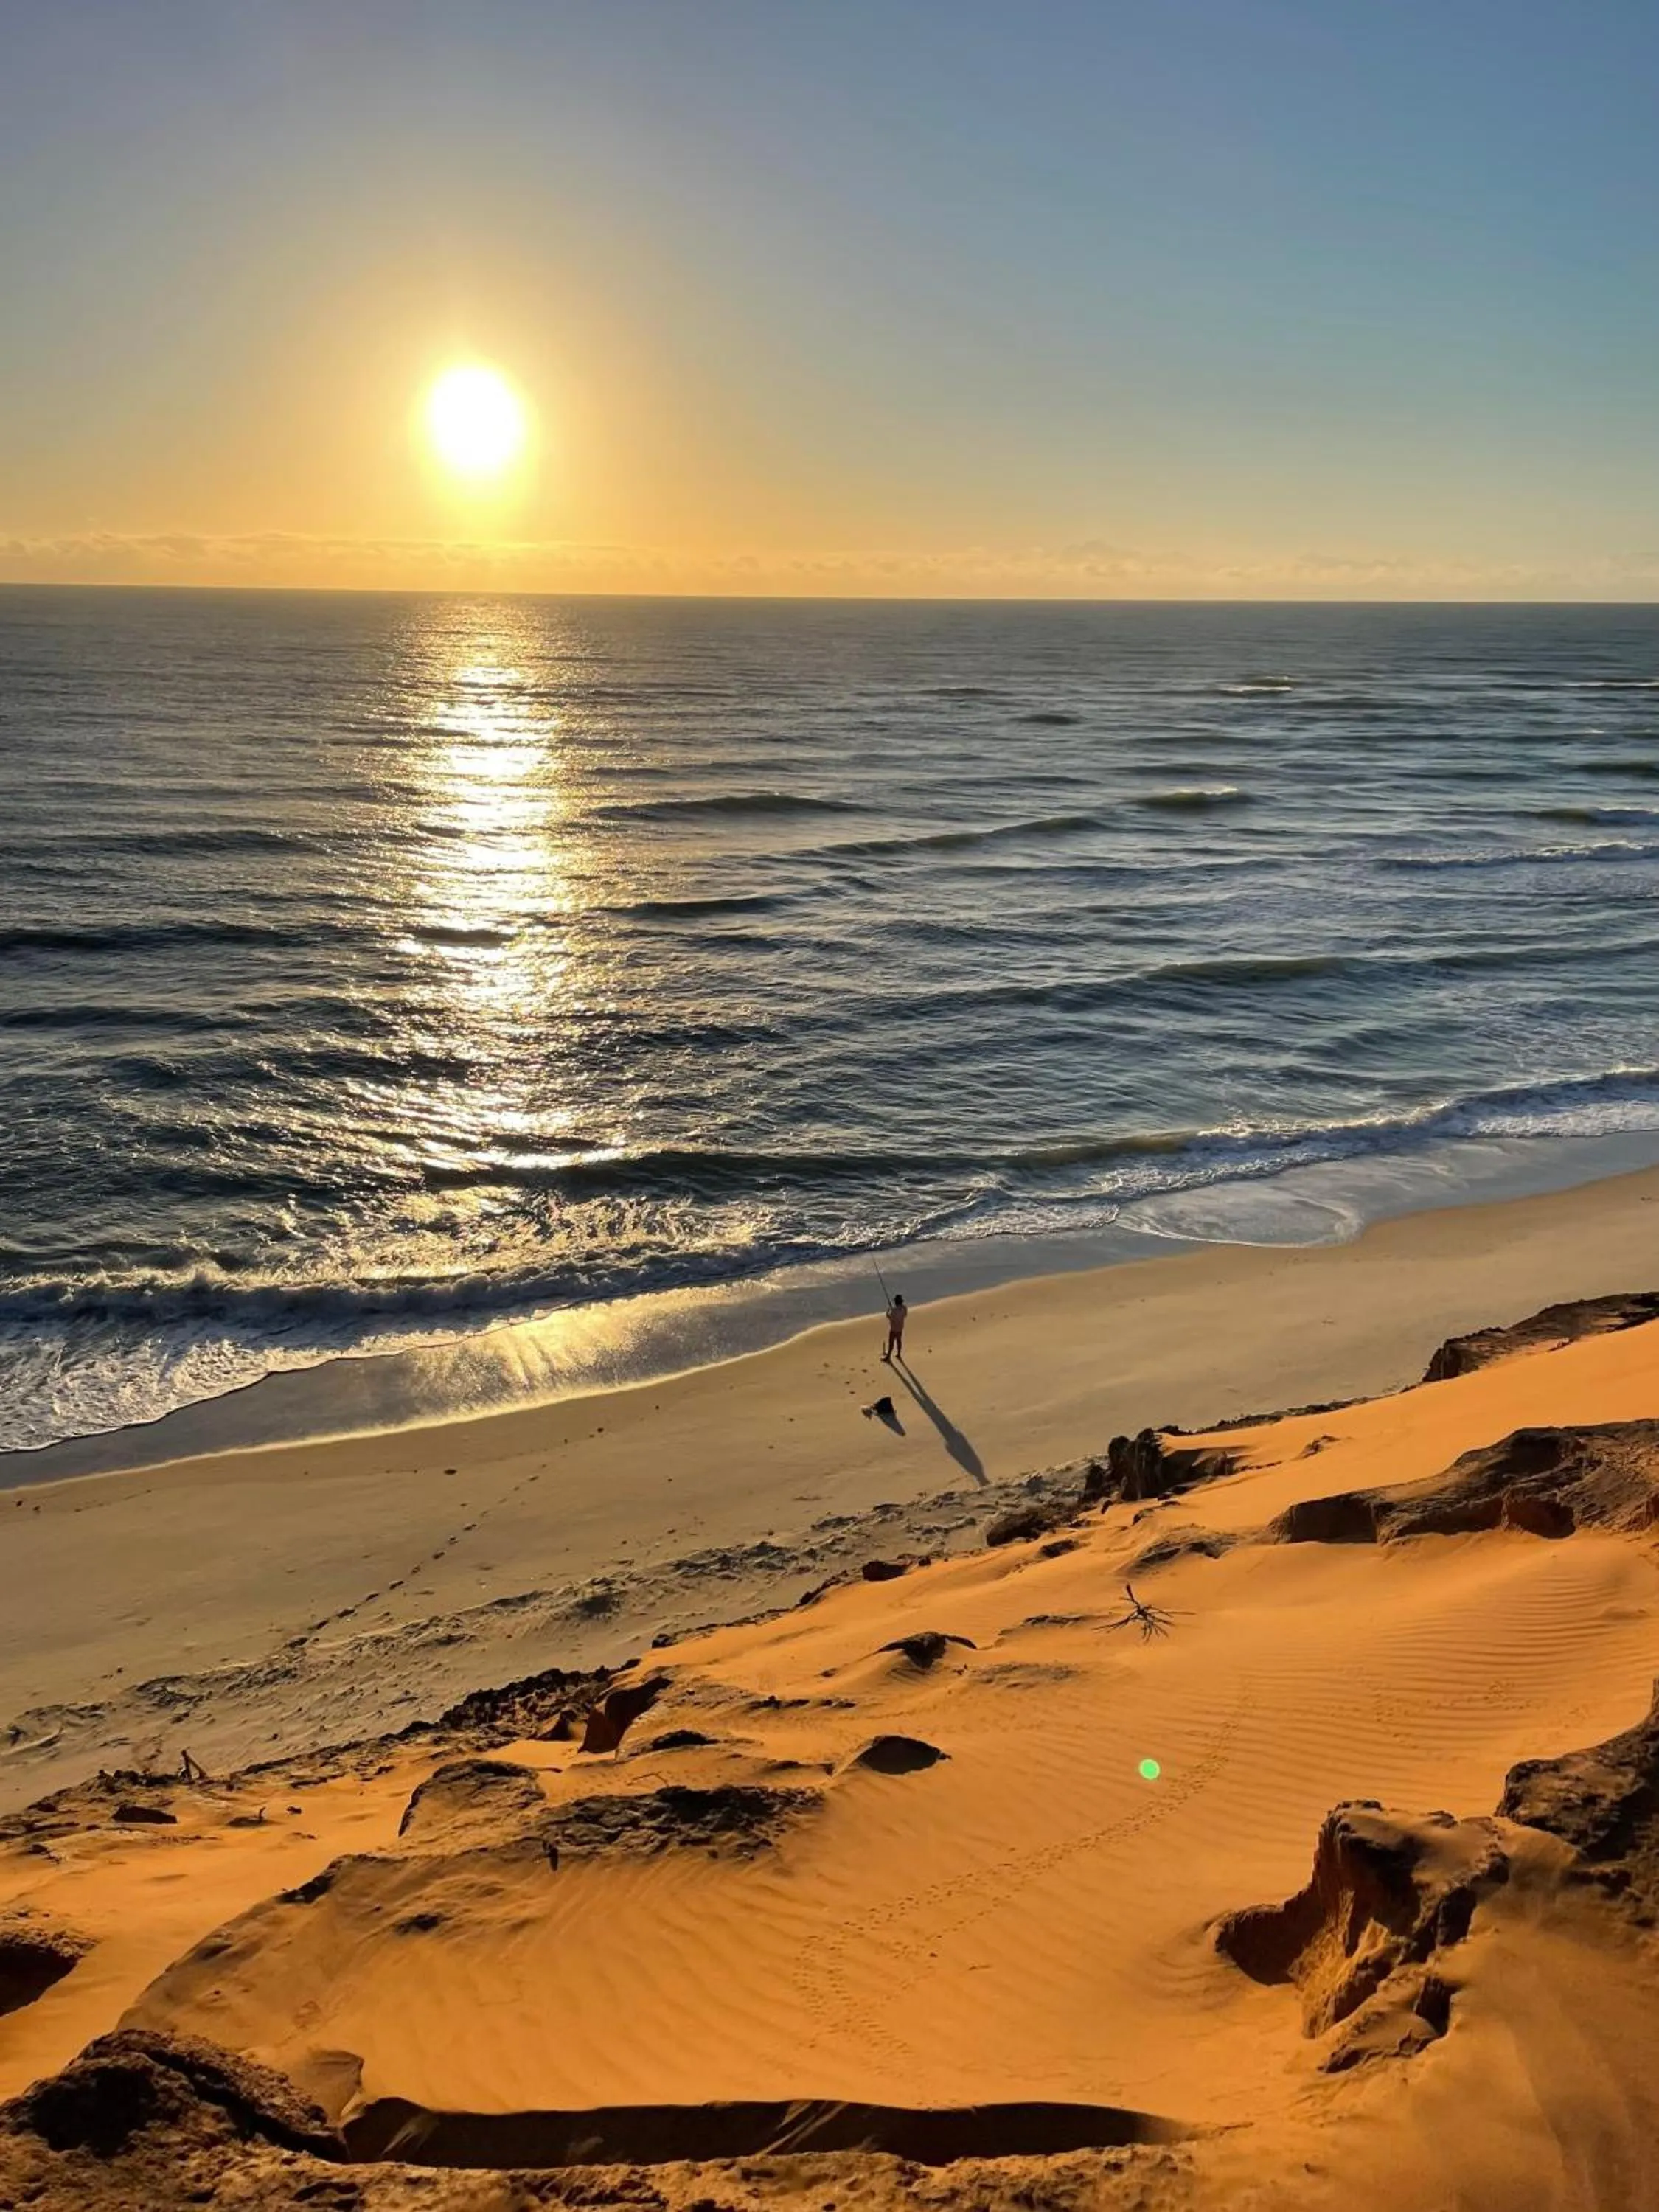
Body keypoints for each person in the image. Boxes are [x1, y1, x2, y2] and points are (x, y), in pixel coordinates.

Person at [883, 1292, 907, 1364]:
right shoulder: (904, 1308)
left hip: (894, 1329)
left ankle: (888, 1357)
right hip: (900, 1328)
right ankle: (899, 1354)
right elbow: (905, 1315)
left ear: (896, 1302)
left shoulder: (894, 1310)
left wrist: (888, 1312)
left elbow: (889, 1317)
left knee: (891, 1343)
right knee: (899, 1341)